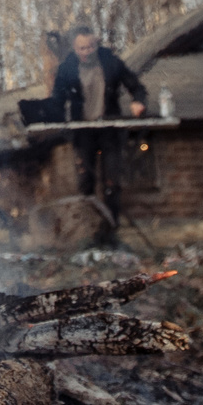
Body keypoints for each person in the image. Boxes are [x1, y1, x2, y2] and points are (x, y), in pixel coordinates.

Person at [49, 22, 148, 242]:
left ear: (96, 44)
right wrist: (51, 115)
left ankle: (111, 233)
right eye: (82, 48)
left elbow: (137, 87)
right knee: (85, 183)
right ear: (75, 49)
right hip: (83, 132)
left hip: (109, 129)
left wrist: (138, 102)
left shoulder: (111, 62)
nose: (86, 52)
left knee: (112, 182)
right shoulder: (67, 68)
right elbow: (57, 100)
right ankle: (88, 234)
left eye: (90, 47)